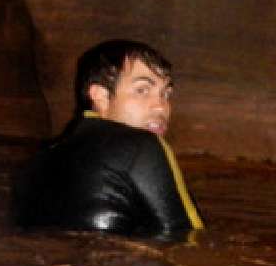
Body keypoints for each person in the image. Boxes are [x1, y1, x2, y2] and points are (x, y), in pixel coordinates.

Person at [11, 39, 204, 240]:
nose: (161, 106)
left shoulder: (33, 165)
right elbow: (190, 238)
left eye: (166, 94)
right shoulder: (143, 146)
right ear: (101, 96)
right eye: (142, 90)